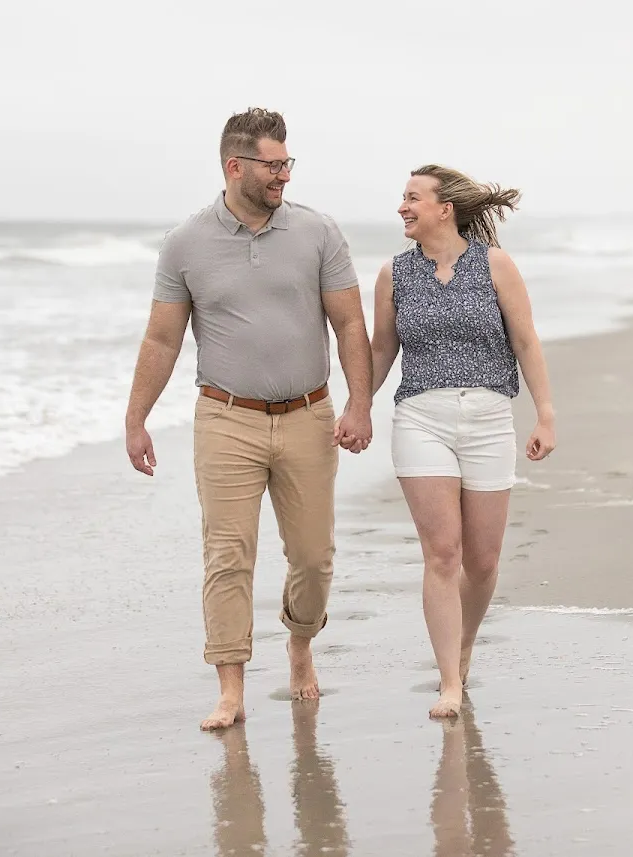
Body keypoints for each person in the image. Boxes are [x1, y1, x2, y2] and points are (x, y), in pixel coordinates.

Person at [124, 107, 373, 732]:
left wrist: (358, 402)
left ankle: (299, 644)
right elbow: (161, 341)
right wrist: (136, 420)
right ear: (235, 166)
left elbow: (348, 322)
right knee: (228, 555)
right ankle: (230, 688)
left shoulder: (319, 232)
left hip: (307, 416)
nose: (283, 174)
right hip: (225, 417)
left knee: (313, 558)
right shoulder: (184, 243)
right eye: (273, 164)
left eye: (288, 162)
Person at [364, 164, 556, 719]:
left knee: (484, 559)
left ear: (444, 208)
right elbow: (381, 352)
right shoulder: (394, 274)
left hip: (491, 415)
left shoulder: (495, 265)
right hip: (421, 416)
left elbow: (525, 340)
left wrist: (545, 414)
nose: (402, 207)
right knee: (442, 553)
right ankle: (449, 679)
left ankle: (464, 644)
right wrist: (357, 406)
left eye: (413, 198)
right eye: (402, 198)